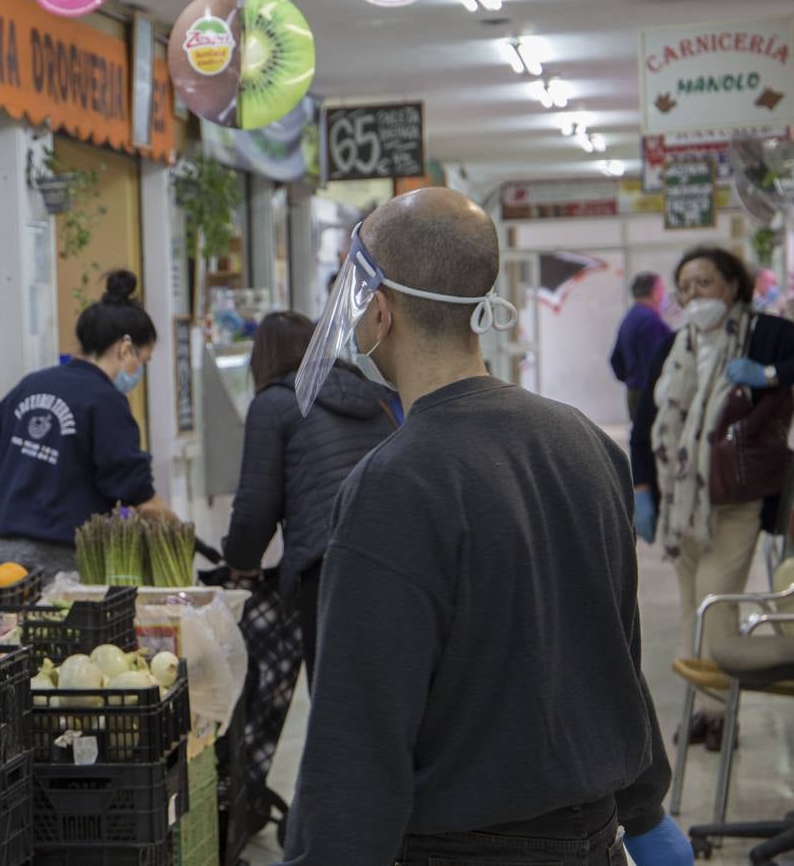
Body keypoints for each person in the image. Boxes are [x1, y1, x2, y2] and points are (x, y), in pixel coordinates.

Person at [281, 188, 678, 866]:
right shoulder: (585, 443)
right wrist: (644, 811)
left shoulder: (393, 485)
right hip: (595, 840)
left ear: (379, 307)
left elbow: (361, 736)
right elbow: (615, 654)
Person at [631, 246, 794, 751]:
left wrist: (767, 375)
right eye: (683, 287)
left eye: (703, 282)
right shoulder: (672, 346)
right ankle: (702, 709)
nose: (692, 295)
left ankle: (717, 712)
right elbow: (643, 425)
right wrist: (642, 490)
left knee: (713, 601)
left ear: (731, 286)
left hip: (739, 498)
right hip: (683, 503)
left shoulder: (764, 333)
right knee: (689, 605)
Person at [222, 310, 397, 686]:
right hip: (394, 561)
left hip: (328, 571)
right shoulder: (373, 394)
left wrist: (238, 560)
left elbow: (255, 510)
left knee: (336, 701)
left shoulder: (272, 404)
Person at [0, 270, 172, 575]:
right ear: (125, 349)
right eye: (143, 360)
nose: (140, 371)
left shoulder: (30, 385)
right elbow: (131, 486)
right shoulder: (107, 402)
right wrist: (168, 520)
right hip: (57, 561)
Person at [610, 272, 672, 421]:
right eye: (662, 290)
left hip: (634, 392)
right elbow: (655, 363)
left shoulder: (629, 319)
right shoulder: (651, 322)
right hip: (651, 396)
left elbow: (615, 360)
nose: (664, 295)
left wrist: (632, 380)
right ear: (654, 292)